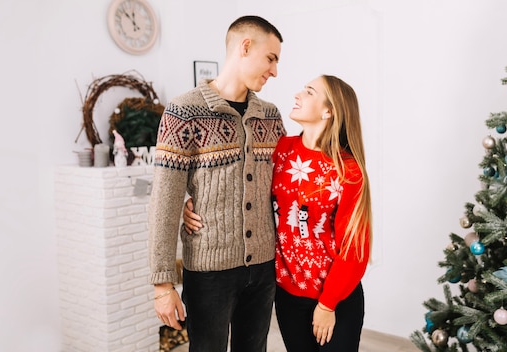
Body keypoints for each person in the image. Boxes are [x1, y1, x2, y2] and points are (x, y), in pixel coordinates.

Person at [185, 75, 373, 351]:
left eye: (309, 92)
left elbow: (355, 249)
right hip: (287, 294)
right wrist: (193, 205)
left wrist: (327, 303)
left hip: (335, 299)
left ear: (328, 110)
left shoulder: (349, 171)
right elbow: (243, 190)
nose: (298, 94)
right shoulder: (281, 150)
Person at [148, 15, 285, 352]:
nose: (275, 71)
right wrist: (162, 284)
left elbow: (284, 188)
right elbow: (164, 201)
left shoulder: (271, 116)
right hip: (210, 272)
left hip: (264, 268)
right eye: (271, 58)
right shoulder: (184, 111)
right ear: (245, 46)